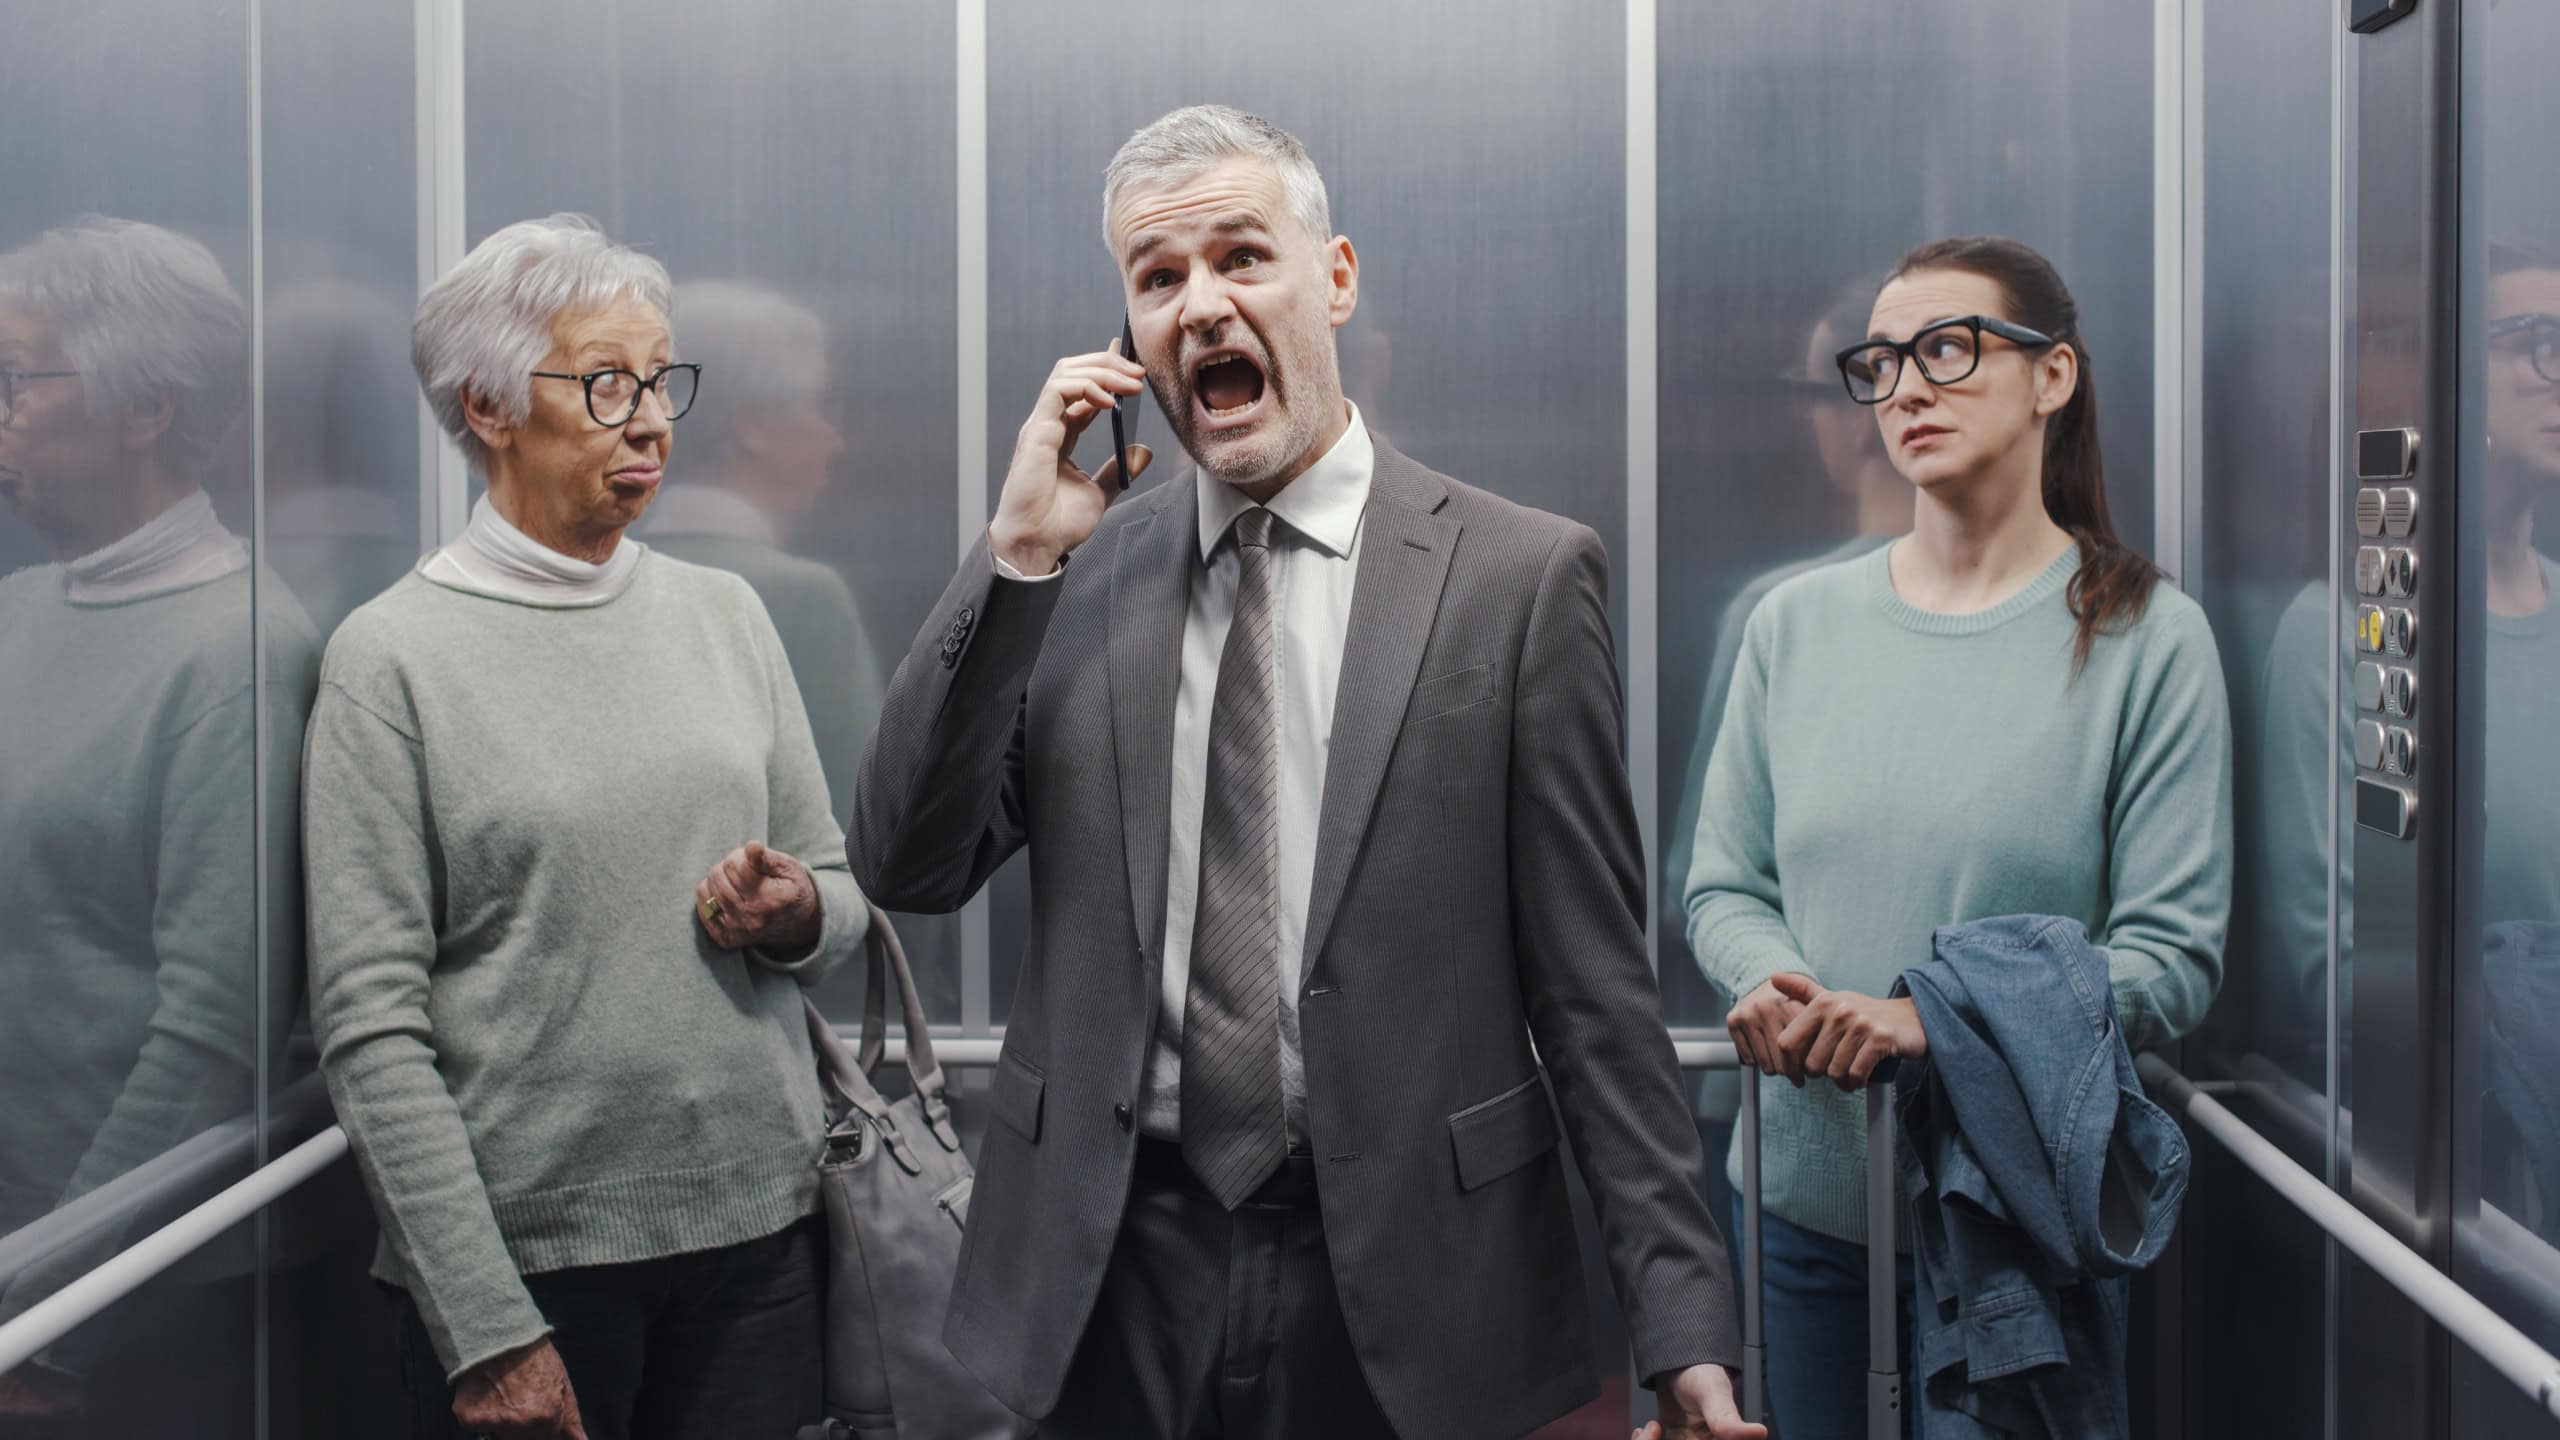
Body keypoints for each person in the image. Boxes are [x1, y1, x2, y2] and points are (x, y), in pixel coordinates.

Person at [851, 105, 1755, 1440]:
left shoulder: (1516, 579)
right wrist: (1016, 556)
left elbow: (1594, 997)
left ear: (1332, 278)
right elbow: (907, 864)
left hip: (1407, 1271)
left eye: (1241, 259)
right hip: (1104, 1266)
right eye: (1159, 279)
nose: (1201, 305)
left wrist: (1686, 1334)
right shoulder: (1074, 575)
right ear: (1129, 332)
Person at [303, 214, 866, 1440]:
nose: (654, 419)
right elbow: (369, 1027)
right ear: (488, 408)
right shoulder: (389, 660)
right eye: (608, 383)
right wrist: (484, 1326)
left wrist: (799, 910)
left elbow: (840, 903)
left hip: (762, 1237)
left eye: (663, 382)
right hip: (531, 1276)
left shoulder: (728, 616)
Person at [1685, 235, 2232, 1437]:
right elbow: (1723, 884)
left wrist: (1930, 1017)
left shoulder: (2145, 636)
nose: (1906, 390)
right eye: (1879, 364)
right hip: (1795, 1209)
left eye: (1946, 349)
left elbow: (2172, 956)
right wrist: (1773, 986)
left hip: (2015, 1225)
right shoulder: (1795, 624)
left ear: (2054, 376)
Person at [0, 215, 318, 1435]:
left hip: (138, 1312)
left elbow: (213, 1035)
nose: (3, 409)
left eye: (21, 377)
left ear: (146, 408)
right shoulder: (25, 607)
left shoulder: (236, 651)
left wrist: (52, 1318)